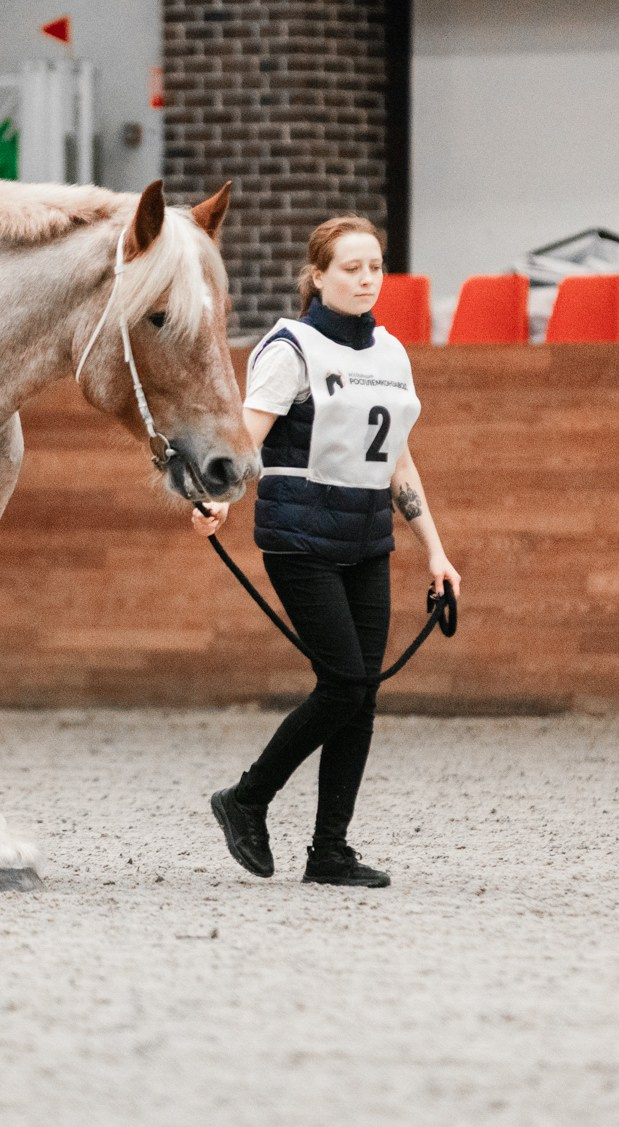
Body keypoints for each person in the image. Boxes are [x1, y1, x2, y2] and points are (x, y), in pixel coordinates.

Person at [194, 216, 460, 888]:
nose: (366, 278)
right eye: (351, 267)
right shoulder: (291, 348)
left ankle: (329, 851)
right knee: (344, 681)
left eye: (374, 266)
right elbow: (247, 437)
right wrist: (218, 497)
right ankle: (247, 798)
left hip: (367, 537)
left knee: (361, 693)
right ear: (317, 275)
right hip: (300, 538)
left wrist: (435, 551)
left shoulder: (392, 354)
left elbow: (399, 460)